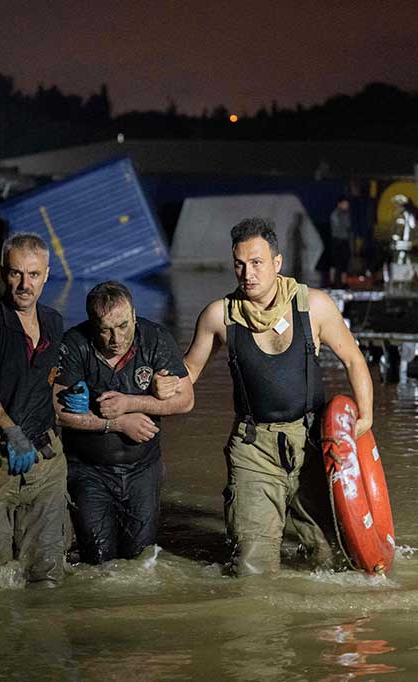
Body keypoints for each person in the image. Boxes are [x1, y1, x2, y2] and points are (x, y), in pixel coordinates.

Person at [154, 217, 373, 576]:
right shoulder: (218, 316)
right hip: (253, 448)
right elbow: (189, 371)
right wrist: (166, 384)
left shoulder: (314, 306)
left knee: (327, 559)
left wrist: (365, 419)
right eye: (239, 264)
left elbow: (353, 358)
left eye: (256, 263)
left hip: (312, 444)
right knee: (251, 566)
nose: (247, 273)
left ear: (277, 263)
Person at [54, 281, 194, 565]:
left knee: (140, 561)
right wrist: (116, 424)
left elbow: (186, 400)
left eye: (123, 326)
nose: (116, 338)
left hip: (143, 469)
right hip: (88, 471)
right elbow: (55, 411)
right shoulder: (74, 343)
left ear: (134, 315)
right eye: (105, 330)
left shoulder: (154, 338)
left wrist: (131, 403)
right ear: (92, 324)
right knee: (97, 560)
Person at [0, 233, 67, 587]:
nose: (24, 284)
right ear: (4, 273)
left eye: (33, 275)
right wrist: (11, 430)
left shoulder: (54, 322)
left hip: (45, 464)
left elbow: (51, 383)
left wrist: (75, 396)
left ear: (47, 275)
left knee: (48, 576)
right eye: (16, 273)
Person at [329, 196, 352, 288]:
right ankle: (332, 281)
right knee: (334, 262)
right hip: (337, 241)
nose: (347, 206)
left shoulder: (346, 214)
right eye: (345, 204)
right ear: (340, 204)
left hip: (344, 241)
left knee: (344, 262)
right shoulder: (335, 214)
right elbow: (340, 226)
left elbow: (348, 226)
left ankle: (344, 282)